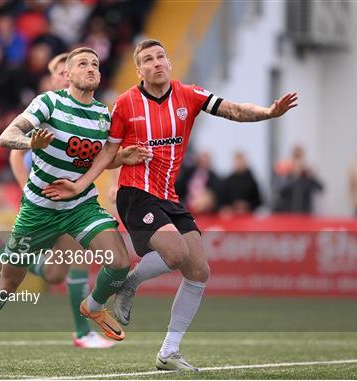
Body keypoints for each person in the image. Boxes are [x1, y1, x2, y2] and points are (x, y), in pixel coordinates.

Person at [42, 39, 298, 371]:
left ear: (169, 62)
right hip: (135, 194)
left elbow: (233, 110)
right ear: (139, 70)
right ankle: (129, 284)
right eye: (148, 59)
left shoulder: (188, 95)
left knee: (199, 271)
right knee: (175, 253)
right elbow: (107, 154)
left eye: (161, 56)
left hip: (169, 197)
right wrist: (82, 184)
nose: (157, 62)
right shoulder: (125, 104)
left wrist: (268, 112)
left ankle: (169, 351)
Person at [0, 47, 149, 367]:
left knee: (118, 262)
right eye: (82, 64)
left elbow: (101, 157)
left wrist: (122, 157)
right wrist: (29, 142)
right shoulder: (49, 102)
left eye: (95, 65)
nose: (90, 69)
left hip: (80, 205)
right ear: (67, 75)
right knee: (9, 282)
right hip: (39, 208)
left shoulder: (105, 115)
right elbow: (9, 136)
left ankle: (93, 307)